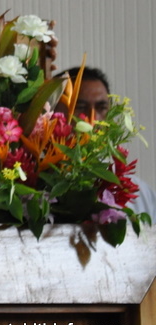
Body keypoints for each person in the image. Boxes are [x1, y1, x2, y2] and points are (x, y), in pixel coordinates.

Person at [56, 65, 154, 217]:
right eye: (80, 107)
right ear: (53, 112)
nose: (93, 118)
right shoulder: (40, 187)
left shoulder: (140, 194)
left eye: (101, 108)